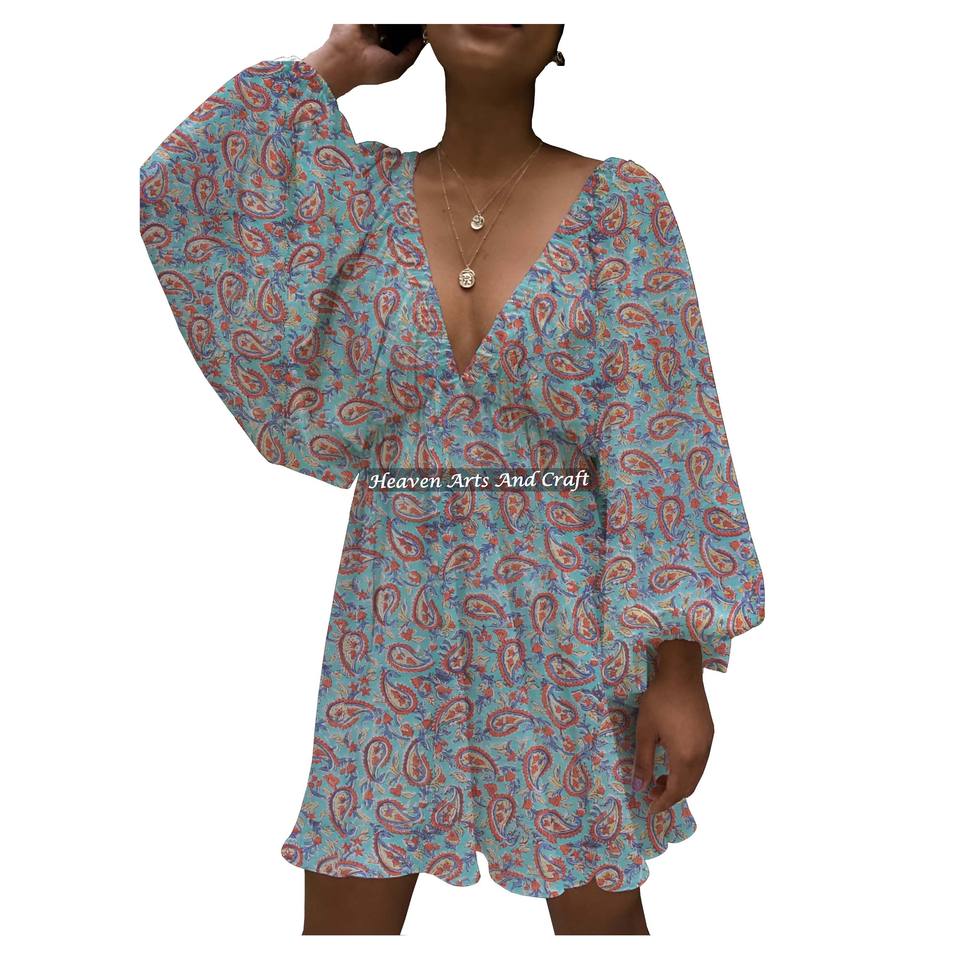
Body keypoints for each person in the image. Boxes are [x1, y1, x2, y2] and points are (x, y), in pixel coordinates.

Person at [138, 23, 765, 936]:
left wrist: (678, 669)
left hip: (567, 606)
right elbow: (186, 185)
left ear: (560, 31)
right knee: (347, 912)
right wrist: (339, 65)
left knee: (598, 914)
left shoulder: (622, 208)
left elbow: (666, 436)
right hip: (390, 606)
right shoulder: (355, 199)